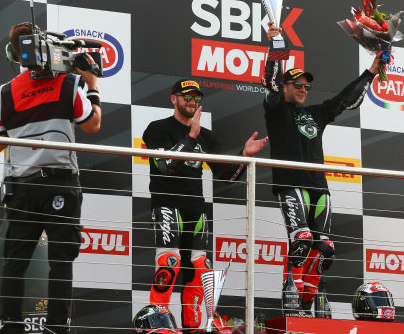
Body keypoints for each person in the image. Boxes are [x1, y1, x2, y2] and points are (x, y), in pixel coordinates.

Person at [262, 21, 385, 315]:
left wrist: (371, 70)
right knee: (301, 241)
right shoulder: (276, 109)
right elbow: (271, 81)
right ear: (286, 88)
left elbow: (346, 100)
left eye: (307, 86)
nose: (303, 89)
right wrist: (276, 46)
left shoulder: (316, 113)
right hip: (291, 184)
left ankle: (312, 303)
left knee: (324, 249)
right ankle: (290, 302)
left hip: (320, 187)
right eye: (297, 85)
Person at [0, 22, 102, 334]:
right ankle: (57, 327)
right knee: (60, 260)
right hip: (60, 183)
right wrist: (92, 82)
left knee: (15, 260)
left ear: (16, 55)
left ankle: (10, 325)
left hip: (22, 188)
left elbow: (1, 141)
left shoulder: (5, 92)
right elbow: (93, 124)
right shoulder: (69, 84)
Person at [142, 79, 267, 332]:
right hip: (167, 204)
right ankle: (158, 325)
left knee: (200, 271)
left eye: (196, 97)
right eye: (186, 96)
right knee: (169, 263)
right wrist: (190, 137)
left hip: (197, 209)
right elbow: (166, 167)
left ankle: (192, 328)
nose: (192, 101)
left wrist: (244, 156)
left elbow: (226, 175)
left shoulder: (206, 137)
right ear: (173, 99)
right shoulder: (157, 129)